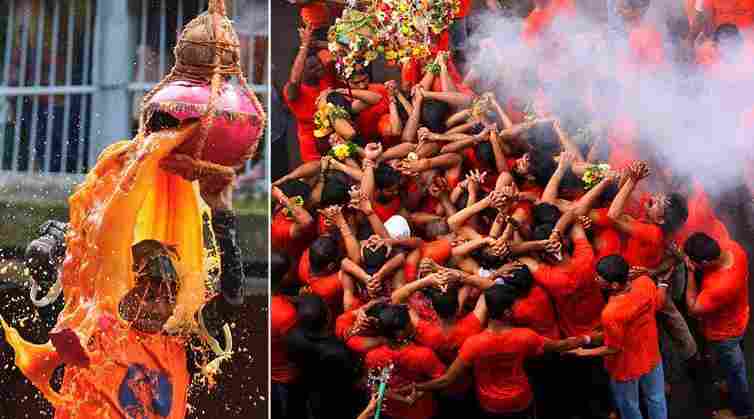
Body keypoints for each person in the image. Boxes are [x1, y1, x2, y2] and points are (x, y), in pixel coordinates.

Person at [408, 284, 591, 418]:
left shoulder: (474, 343)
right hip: (520, 399)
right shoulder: (525, 336)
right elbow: (561, 346)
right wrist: (588, 338)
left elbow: (448, 378)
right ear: (507, 313)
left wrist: (418, 387)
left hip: (490, 404)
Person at [570, 255, 671, 419]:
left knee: (629, 407)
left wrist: (583, 352)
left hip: (626, 367)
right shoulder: (644, 282)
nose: (595, 279)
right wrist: (663, 284)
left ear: (614, 285)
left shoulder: (611, 313)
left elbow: (613, 348)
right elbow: (658, 303)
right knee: (656, 398)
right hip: (652, 356)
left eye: (599, 278)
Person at [683, 233, 753, 419]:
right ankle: (729, 383)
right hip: (740, 314)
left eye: (694, 261)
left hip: (726, 332)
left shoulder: (720, 286)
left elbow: (693, 308)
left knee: (736, 371)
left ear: (705, 263)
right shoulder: (732, 247)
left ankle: (743, 412)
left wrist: (690, 272)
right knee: (731, 366)